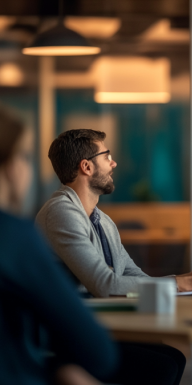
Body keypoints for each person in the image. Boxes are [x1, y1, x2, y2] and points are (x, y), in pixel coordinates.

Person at [35, 128, 192, 385]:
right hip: (65, 335)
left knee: (173, 358)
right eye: (106, 155)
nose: (114, 163)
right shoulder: (62, 213)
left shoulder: (103, 221)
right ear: (86, 167)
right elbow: (106, 286)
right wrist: (186, 283)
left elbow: (134, 277)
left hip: (95, 325)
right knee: (162, 366)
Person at [0, 106, 118, 385]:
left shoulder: (104, 221)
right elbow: (100, 353)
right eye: (24, 157)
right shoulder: (14, 238)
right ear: (10, 167)